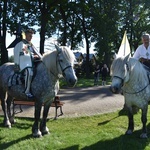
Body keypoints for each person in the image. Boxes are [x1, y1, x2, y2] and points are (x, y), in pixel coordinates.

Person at [14, 29, 42, 98]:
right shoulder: (23, 44)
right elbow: (24, 54)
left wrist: (41, 57)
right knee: (29, 72)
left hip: (33, 62)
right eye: (30, 36)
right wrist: (33, 56)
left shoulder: (31, 44)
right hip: (25, 63)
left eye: (32, 36)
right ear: (26, 35)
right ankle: (27, 91)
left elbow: (37, 53)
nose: (31, 37)